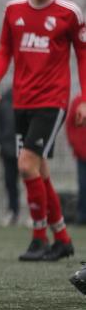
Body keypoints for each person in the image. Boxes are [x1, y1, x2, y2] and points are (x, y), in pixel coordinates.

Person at [0, 0, 86, 261]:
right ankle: (63, 240)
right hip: (22, 101)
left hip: (52, 101)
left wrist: (84, 97)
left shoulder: (69, 13)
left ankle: (39, 237)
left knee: (26, 165)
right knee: (39, 170)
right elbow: (5, 49)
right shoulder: (13, 10)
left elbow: (83, 55)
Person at [0, 88, 20, 225]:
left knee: (32, 182)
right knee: (10, 183)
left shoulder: (31, 98)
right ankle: (13, 211)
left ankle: (35, 214)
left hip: (27, 149)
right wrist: (1, 140)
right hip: (8, 149)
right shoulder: (4, 101)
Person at [65, 94, 86, 225]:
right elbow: (70, 126)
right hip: (82, 154)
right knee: (83, 185)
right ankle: (82, 215)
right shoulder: (77, 102)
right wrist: (76, 146)